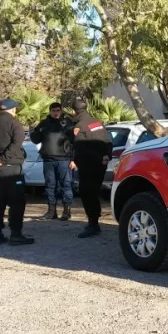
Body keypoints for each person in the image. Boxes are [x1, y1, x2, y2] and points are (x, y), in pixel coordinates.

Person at [0, 98, 34, 246]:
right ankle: (16, 234)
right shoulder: (15, 125)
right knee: (17, 201)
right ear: (13, 110)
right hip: (12, 168)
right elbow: (16, 144)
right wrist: (2, 159)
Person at [69, 97, 112, 238]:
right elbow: (108, 141)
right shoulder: (97, 122)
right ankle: (95, 221)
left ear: (74, 110)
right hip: (101, 164)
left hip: (89, 165)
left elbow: (81, 148)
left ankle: (93, 224)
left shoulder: (79, 126)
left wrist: (75, 160)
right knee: (93, 192)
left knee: (87, 193)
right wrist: (106, 156)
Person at [30, 102, 74, 221]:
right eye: (54, 111)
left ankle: (66, 211)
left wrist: (73, 159)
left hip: (64, 160)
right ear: (50, 111)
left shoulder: (67, 123)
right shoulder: (44, 124)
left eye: (58, 110)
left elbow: (75, 142)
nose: (56, 113)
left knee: (66, 185)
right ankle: (51, 212)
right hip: (48, 160)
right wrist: (35, 130)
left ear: (61, 111)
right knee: (50, 186)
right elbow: (34, 139)